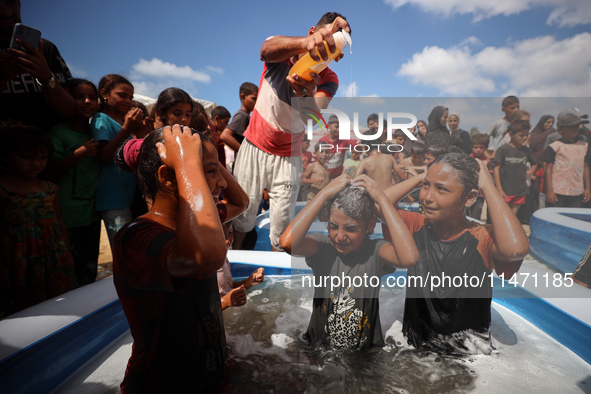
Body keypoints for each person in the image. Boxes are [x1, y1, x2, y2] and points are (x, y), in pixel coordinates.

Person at [112, 124, 249, 393]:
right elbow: (204, 257)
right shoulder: (136, 237)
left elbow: (240, 201)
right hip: (161, 384)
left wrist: (207, 158)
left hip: (209, 373)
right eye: (211, 172)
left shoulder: (194, 225)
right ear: (167, 177)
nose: (222, 182)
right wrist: (187, 163)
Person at [383, 153, 529, 354]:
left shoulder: (482, 236)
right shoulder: (416, 225)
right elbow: (377, 206)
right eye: (426, 186)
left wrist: (488, 187)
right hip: (414, 348)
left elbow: (515, 250)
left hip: (469, 357)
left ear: (470, 197)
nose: (426, 197)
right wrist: (421, 177)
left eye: (441, 189)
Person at [232, 12, 350, 251]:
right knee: (241, 217)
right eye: (324, 40)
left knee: (282, 228)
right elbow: (266, 50)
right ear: (312, 33)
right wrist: (305, 44)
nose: (327, 51)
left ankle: (277, 282)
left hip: (289, 158)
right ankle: (232, 265)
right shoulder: (282, 52)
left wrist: (303, 96)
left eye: (334, 48)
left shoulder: (330, 79)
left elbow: (312, 115)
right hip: (254, 146)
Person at [279, 174, 419, 349]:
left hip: (363, 353)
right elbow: (287, 243)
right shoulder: (322, 247)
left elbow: (410, 258)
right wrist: (323, 194)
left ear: (369, 226)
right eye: (332, 226)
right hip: (318, 347)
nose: (340, 236)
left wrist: (382, 199)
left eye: (351, 229)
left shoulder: (375, 251)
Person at [0, 124, 77, 318]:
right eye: (27, 157)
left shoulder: (51, 188)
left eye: (42, 158)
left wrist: (66, 252)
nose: (36, 163)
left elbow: (58, 221)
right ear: (6, 156)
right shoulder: (3, 189)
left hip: (53, 256)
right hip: (19, 259)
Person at [45, 79, 102, 286]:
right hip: (66, 219)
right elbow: (48, 173)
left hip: (92, 216)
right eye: (79, 97)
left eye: (92, 98)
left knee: (89, 273)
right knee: (68, 275)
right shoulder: (58, 133)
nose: (87, 102)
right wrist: (78, 154)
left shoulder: (98, 134)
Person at [0, 0, 74, 131]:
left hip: (50, 146)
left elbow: (69, 110)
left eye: (10, 3)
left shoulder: (45, 49)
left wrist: (46, 77)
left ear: (19, 5)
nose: (5, 13)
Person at [91, 74, 145, 250]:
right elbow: (105, 154)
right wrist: (127, 128)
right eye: (122, 95)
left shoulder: (121, 122)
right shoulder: (101, 119)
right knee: (123, 249)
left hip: (126, 194)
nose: (128, 101)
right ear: (104, 93)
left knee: (132, 245)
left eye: (131, 97)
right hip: (113, 196)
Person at [543, 112, 591, 208]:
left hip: (576, 192)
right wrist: (549, 191)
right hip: (557, 192)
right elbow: (548, 169)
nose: (575, 128)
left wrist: (588, 188)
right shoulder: (554, 147)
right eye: (572, 126)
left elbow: (585, 167)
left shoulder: (583, 146)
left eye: (577, 126)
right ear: (560, 129)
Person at [493, 119, 537, 216]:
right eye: (521, 135)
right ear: (511, 134)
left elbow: (535, 163)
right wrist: (499, 189)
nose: (524, 138)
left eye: (526, 135)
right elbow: (497, 168)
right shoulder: (503, 150)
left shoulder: (526, 150)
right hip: (505, 190)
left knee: (513, 215)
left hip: (520, 190)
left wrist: (530, 173)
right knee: (502, 214)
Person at [217, 221, 264, 310]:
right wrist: (225, 302)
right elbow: (201, 310)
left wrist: (248, 282)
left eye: (230, 232)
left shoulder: (224, 260)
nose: (227, 240)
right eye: (220, 235)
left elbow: (228, 287)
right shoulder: (205, 269)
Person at [220, 82, 258, 156]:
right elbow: (225, 136)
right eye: (254, 98)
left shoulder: (246, 116)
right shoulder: (242, 115)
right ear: (242, 97)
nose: (256, 102)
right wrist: (245, 153)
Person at [318, 114, 356, 179]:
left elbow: (355, 144)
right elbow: (317, 160)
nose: (339, 129)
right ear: (329, 126)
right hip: (323, 177)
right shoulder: (322, 141)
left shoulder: (344, 139)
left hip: (337, 177)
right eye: (336, 127)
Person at [468, 133, 492, 221]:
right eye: (476, 147)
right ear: (471, 147)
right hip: (468, 191)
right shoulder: (467, 159)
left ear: (485, 148)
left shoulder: (488, 162)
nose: (478, 150)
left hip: (480, 194)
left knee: (476, 214)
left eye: (481, 148)